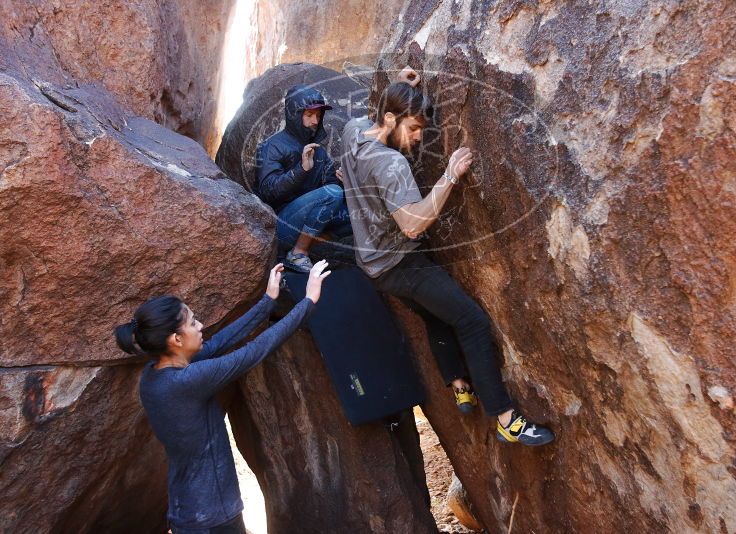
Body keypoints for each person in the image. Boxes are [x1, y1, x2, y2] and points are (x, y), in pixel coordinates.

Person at [339, 73, 555, 447]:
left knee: (435, 311)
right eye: (413, 128)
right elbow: (411, 224)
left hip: (373, 262)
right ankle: (505, 418)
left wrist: (397, 83)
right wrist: (450, 175)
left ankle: (458, 383)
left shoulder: (354, 130)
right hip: (400, 264)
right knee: (470, 320)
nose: (419, 137)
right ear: (390, 120)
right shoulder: (391, 165)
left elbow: (375, 112)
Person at [114, 260, 331, 533]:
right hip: (213, 517)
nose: (201, 325)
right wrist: (308, 302)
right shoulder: (187, 381)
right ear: (176, 340)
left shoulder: (154, 376)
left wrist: (268, 301)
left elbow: (218, 344)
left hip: (188, 509)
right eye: (193, 322)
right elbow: (253, 352)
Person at [254, 85, 351, 273]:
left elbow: (330, 189)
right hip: (278, 228)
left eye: (318, 115)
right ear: (294, 115)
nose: (315, 120)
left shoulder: (318, 150)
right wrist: (301, 170)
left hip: (305, 223)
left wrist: (343, 183)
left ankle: (307, 248)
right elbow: (267, 192)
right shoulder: (272, 146)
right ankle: (297, 254)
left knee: (355, 213)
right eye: (309, 115)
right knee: (333, 193)